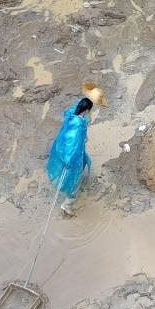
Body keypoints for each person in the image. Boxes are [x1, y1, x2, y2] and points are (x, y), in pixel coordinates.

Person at [46, 84, 107, 217]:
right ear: (87, 110)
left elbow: (77, 107)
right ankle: (67, 205)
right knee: (74, 181)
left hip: (70, 150)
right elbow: (74, 144)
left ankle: (68, 198)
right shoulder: (78, 125)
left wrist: (89, 98)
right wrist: (69, 160)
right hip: (73, 157)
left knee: (76, 173)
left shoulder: (72, 115)